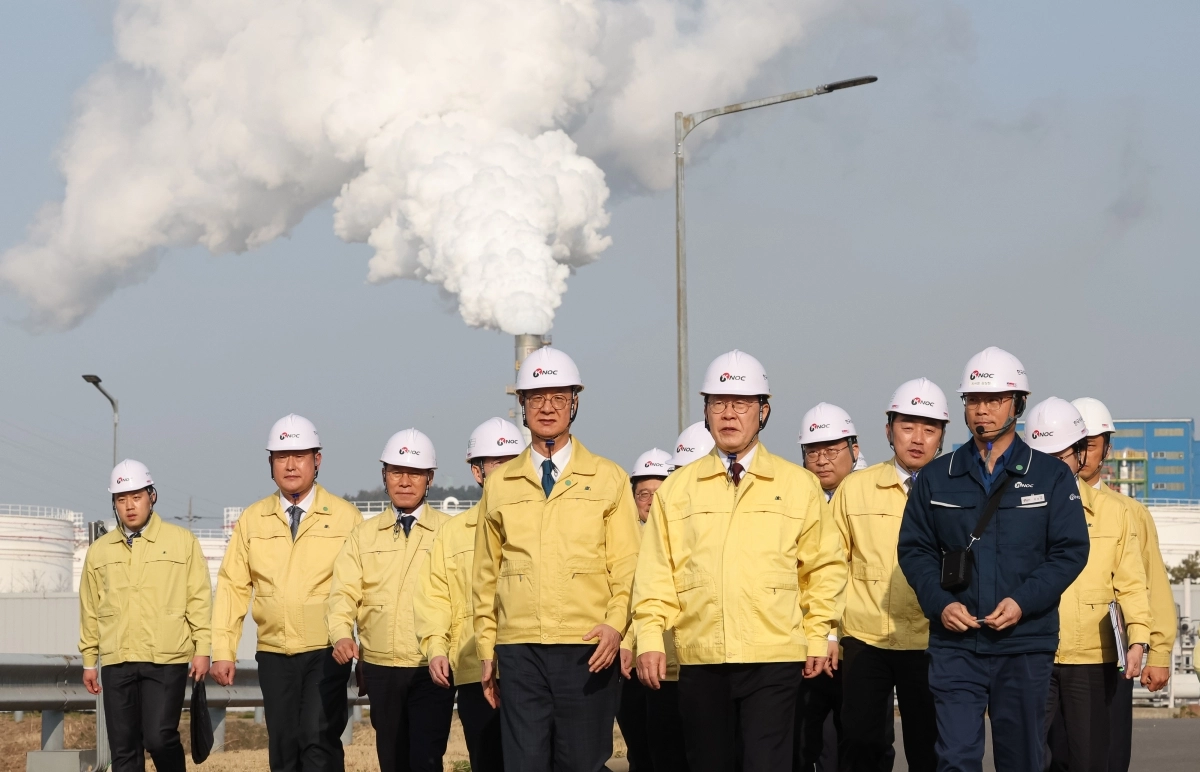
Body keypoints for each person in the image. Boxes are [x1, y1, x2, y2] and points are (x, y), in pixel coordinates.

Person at [633, 349, 847, 772]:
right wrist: (650, 638)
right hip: (701, 657)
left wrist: (820, 632)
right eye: (718, 403)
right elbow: (657, 572)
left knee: (766, 764)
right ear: (707, 411)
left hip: (774, 656)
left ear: (763, 411)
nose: (729, 414)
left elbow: (823, 568)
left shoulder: (796, 484)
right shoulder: (678, 490)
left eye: (742, 403)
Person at [897, 347, 1089, 772]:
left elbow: (1070, 551)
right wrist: (940, 603)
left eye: (993, 399)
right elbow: (915, 550)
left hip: (1024, 644)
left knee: (1021, 758)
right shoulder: (935, 477)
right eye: (973, 400)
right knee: (955, 758)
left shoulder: (1051, 476)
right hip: (955, 646)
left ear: (1018, 404)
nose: (981, 410)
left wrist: (1023, 602)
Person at [473, 346, 642, 771]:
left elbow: (628, 567)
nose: (547, 408)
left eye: (559, 398)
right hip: (520, 649)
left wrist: (617, 626)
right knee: (524, 763)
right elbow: (485, 577)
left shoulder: (608, 478)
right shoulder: (502, 484)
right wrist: (487, 649)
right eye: (536, 398)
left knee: (582, 763)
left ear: (575, 403)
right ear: (522, 406)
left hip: (587, 647)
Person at [212, 414, 363, 772]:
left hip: (327, 650)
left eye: (300, 455)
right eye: (282, 456)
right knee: (283, 748)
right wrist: (223, 650)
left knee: (317, 737)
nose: (291, 464)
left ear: (317, 460)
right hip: (274, 652)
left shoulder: (346, 517)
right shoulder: (253, 519)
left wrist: (366, 650)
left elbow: (363, 590)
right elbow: (233, 585)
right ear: (270, 463)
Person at [1023, 398, 1150, 772]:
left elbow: (1131, 583)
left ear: (1080, 455)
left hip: (1093, 658)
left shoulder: (1115, 512)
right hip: (1031, 653)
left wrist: (1140, 637)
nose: (1051, 466)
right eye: (1041, 456)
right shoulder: (1009, 508)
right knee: (1025, 757)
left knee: (1090, 759)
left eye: (1060, 456)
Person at [834, 379, 949, 772]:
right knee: (863, 742)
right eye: (907, 426)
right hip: (866, 638)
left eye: (929, 429)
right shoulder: (856, 488)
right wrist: (830, 633)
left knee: (930, 746)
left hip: (933, 639)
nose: (917, 438)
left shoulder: (956, 491)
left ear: (942, 437)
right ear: (888, 430)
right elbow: (832, 565)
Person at [326, 429, 453, 772]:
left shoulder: (449, 532)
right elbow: (343, 594)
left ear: (429, 478)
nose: (405, 481)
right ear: (385, 476)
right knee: (393, 761)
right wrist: (340, 633)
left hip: (432, 666)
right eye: (397, 472)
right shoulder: (364, 536)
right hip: (381, 667)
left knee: (426, 759)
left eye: (414, 473)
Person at [79, 460, 211, 772]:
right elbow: (89, 608)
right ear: (114, 503)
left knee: (159, 737)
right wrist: (89, 659)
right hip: (117, 659)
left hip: (166, 658)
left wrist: (203, 648)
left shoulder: (182, 542)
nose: (129, 506)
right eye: (121, 499)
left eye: (136, 497)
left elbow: (200, 599)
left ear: (152, 495)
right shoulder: (99, 551)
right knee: (123, 748)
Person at [1070, 397, 1177, 772]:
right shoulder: (1035, 503)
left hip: (1113, 657)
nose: (1081, 455)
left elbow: (1152, 584)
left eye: (1091, 444)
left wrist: (1159, 652)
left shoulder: (1132, 513)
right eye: (1075, 443)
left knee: (1109, 753)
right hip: (1052, 655)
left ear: (1107, 449)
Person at [414, 418, 525, 772]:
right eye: (497, 465)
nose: (508, 473)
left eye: (515, 463)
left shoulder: (549, 526)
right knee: (489, 761)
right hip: (476, 670)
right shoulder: (454, 534)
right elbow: (435, 597)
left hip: (533, 665)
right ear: (478, 473)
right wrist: (434, 648)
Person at [794, 401, 862, 772]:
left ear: (855, 449)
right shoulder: (795, 498)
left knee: (856, 741)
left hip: (860, 642)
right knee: (805, 741)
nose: (821, 459)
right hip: (808, 640)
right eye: (812, 451)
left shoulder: (868, 494)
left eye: (832, 449)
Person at [618, 448, 681, 772]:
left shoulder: (681, 537)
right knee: (642, 752)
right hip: (631, 663)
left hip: (676, 665)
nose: (651, 500)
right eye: (644, 493)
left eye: (659, 492)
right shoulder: (620, 539)